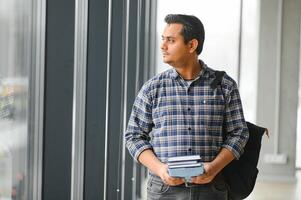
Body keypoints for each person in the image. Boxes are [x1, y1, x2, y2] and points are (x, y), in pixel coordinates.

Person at [125, 14, 249, 200]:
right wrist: (160, 169)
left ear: (192, 45)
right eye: (163, 39)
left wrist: (213, 168)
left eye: (171, 40)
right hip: (163, 190)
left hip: (212, 188)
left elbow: (239, 133)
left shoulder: (225, 85)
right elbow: (133, 136)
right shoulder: (152, 88)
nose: (162, 46)